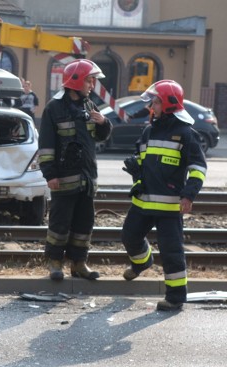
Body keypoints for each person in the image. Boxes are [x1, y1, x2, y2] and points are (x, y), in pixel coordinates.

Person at [121, 80, 207, 311]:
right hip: (143, 202)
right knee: (129, 237)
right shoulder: (150, 130)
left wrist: (188, 196)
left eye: (156, 102)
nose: (152, 106)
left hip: (170, 208)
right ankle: (142, 263)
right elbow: (142, 157)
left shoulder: (186, 134)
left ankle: (176, 298)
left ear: (168, 104)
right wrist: (135, 165)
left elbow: (198, 169)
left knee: (172, 253)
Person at [37, 59, 112, 281]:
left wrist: (104, 123)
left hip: (86, 179)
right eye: (90, 80)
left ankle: (79, 264)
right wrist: (50, 174)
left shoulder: (89, 105)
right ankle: (55, 263)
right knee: (59, 223)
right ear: (77, 80)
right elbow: (46, 145)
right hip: (63, 178)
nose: (92, 85)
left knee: (84, 223)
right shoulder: (54, 108)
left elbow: (101, 137)